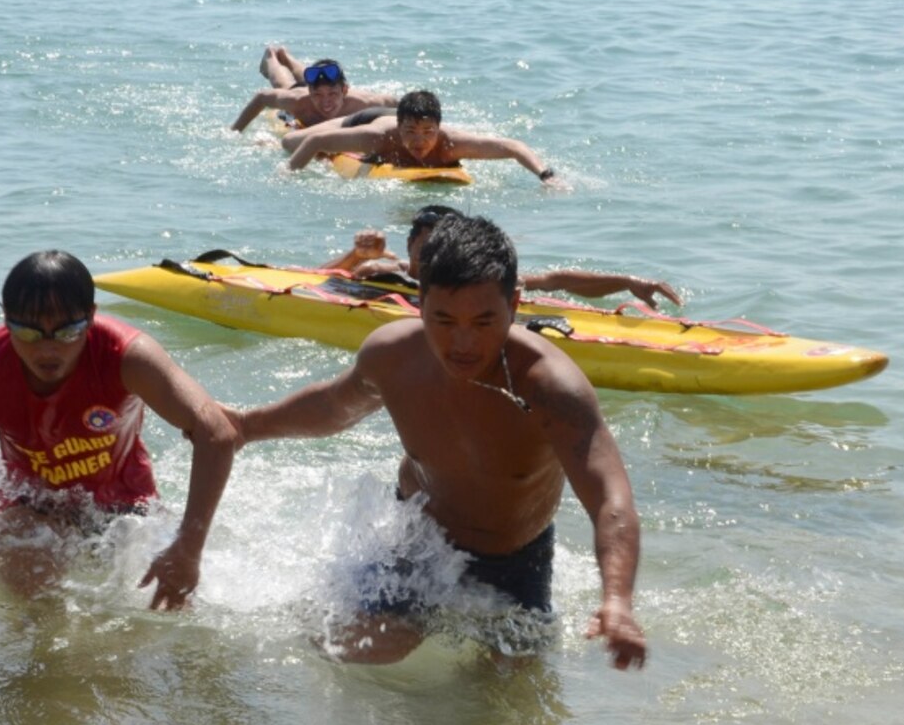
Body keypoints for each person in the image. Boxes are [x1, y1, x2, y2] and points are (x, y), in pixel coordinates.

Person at [226, 214, 647, 668]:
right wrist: (246, 426)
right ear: (419, 301)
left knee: (507, 705)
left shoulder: (550, 387)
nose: (462, 343)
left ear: (515, 305)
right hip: (422, 539)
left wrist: (617, 600)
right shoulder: (393, 356)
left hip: (517, 557)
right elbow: (332, 407)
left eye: (484, 322)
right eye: (443, 320)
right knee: (357, 649)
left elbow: (610, 497)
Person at [0, 250, 239, 606]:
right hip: (32, 502)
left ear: (90, 317)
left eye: (67, 331)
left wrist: (187, 550)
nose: (47, 349)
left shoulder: (127, 356)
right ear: (6, 319)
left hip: (125, 507)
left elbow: (217, 434)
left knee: (175, 607)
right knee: (29, 589)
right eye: (28, 331)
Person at [328, 205, 683, 309]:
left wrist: (629, 282)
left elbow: (556, 280)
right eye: (425, 245)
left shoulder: (478, 280)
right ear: (410, 248)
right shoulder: (382, 270)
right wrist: (354, 256)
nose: (435, 254)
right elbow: (319, 279)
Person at [284, 89, 559, 185]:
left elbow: (512, 146)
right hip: (366, 117)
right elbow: (316, 143)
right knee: (289, 141)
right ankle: (289, 87)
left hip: (400, 113)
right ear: (400, 129)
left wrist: (546, 176)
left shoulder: (452, 144)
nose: (420, 141)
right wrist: (290, 173)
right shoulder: (378, 137)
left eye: (428, 133)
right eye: (411, 133)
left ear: (438, 129)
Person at [231, 54, 398, 133]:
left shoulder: (365, 103)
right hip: (297, 90)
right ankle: (272, 56)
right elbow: (262, 97)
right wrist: (236, 131)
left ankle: (286, 57)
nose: (326, 102)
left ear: (344, 90)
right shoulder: (298, 101)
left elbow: (399, 104)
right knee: (284, 84)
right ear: (309, 92)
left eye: (333, 94)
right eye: (318, 95)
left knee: (306, 78)